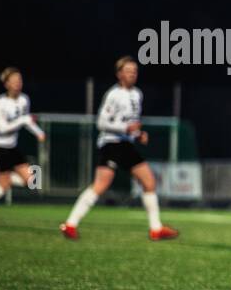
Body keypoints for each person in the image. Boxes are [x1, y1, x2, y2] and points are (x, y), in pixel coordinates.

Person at [60, 56, 178, 241]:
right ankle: (70, 224)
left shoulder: (137, 94)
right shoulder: (113, 95)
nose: (132, 74)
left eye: (135, 71)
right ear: (119, 74)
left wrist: (138, 134)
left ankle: (156, 229)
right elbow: (101, 122)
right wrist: (125, 129)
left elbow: (130, 123)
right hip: (111, 144)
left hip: (126, 144)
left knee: (149, 182)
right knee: (101, 185)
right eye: (128, 70)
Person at [0, 68, 46, 213]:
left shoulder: (24, 99)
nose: (18, 83)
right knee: (4, 185)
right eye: (14, 80)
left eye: (19, 80)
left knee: (33, 180)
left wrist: (39, 132)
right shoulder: (1, 102)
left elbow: (26, 121)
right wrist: (22, 120)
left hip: (12, 146)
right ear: (6, 84)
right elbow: (2, 128)